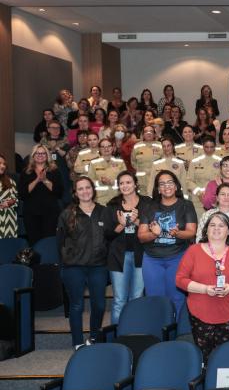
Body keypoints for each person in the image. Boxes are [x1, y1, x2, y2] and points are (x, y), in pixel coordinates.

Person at [175, 211, 229, 361]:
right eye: (212, 225)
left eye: (221, 225)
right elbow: (180, 280)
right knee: (204, 359)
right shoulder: (193, 250)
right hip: (200, 311)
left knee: (226, 358)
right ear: (206, 229)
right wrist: (205, 289)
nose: (216, 228)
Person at [57, 177, 114, 348]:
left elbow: (110, 238)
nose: (85, 191)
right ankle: (77, 343)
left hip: (98, 266)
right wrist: (64, 265)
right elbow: (60, 242)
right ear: (75, 193)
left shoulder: (104, 212)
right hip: (74, 267)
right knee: (77, 305)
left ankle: (94, 337)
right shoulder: (67, 214)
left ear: (93, 189)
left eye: (87, 187)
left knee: (99, 304)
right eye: (80, 189)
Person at [138, 170, 198, 311]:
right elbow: (141, 236)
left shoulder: (186, 205)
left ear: (176, 186)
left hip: (177, 257)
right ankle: (158, 332)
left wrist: (178, 233)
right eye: (162, 184)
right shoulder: (148, 206)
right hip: (152, 260)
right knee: (155, 299)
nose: (167, 186)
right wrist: (154, 234)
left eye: (170, 182)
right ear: (158, 189)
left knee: (177, 298)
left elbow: (191, 232)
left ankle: (177, 332)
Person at [107, 171, 151, 323]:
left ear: (135, 184)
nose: (125, 186)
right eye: (121, 183)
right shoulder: (112, 204)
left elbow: (153, 229)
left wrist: (137, 221)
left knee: (137, 297)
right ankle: (117, 338)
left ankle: (134, 332)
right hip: (119, 256)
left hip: (142, 255)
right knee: (119, 299)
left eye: (128, 182)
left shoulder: (147, 203)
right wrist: (122, 224)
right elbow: (107, 234)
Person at [19, 144, 64, 244]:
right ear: (33, 155)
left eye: (43, 153)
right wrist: (37, 180)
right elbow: (22, 194)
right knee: (34, 242)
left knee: (49, 242)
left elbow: (59, 192)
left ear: (47, 155)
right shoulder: (26, 172)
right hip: (31, 213)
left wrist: (45, 180)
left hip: (50, 213)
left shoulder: (54, 171)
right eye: (37, 153)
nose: (40, 155)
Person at [196, 183, 229, 247]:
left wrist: (216, 236)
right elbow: (199, 240)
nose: (226, 197)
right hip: (210, 252)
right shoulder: (207, 215)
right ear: (217, 198)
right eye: (222, 194)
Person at [0, 155, 18, 239]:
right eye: (0, 163)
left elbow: (16, 200)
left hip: (9, 222)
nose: (2, 166)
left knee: (9, 248)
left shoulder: (11, 182)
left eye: (4, 164)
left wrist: (10, 202)